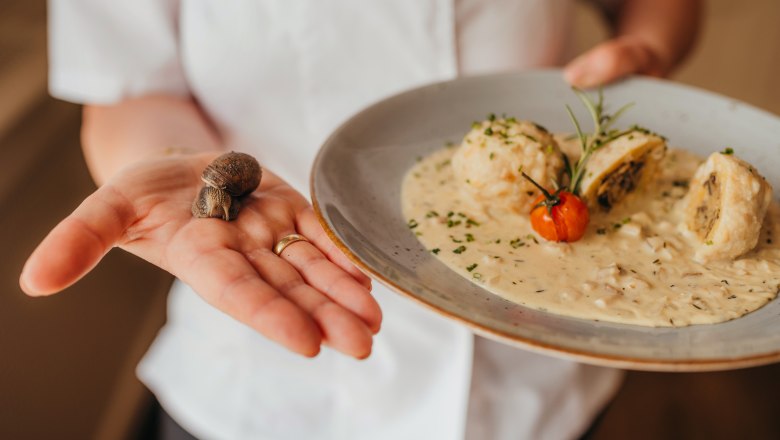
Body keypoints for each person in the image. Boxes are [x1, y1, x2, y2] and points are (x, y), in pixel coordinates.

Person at [23, 1, 700, 438]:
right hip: (269, 362)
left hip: (537, 377)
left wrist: (646, 49)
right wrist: (179, 165)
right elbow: (127, 88)